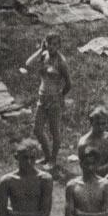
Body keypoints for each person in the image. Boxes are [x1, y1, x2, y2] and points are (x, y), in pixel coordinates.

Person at [26, 35, 71, 167]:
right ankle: (47, 155)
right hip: (42, 98)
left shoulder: (61, 62)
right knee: (37, 130)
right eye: (49, 44)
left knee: (54, 130)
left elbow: (69, 83)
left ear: (59, 46)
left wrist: (60, 96)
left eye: (55, 44)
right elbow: (28, 64)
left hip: (54, 100)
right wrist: (40, 50)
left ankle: (53, 160)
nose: (51, 47)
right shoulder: (43, 55)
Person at [77, 106, 108, 179]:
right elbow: (86, 170)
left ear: (107, 123)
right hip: (92, 180)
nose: (100, 127)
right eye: (97, 124)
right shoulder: (84, 143)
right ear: (91, 123)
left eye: (103, 124)